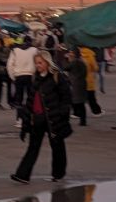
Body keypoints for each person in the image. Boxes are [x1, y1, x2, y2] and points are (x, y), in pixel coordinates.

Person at [11, 50, 72, 184]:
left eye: (40, 63)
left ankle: (58, 174)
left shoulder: (57, 77)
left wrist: (62, 113)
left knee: (57, 147)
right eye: (36, 63)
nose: (38, 65)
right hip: (38, 119)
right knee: (33, 147)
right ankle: (22, 175)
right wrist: (26, 122)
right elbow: (30, 101)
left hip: (53, 118)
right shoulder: (35, 79)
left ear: (47, 62)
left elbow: (66, 97)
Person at [6, 37, 38, 118]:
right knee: (31, 97)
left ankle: (19, 118)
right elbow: (38, 62)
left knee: (19, 98)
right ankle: (31, 116)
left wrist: (13, 76)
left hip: (18, 76)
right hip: (30, 75)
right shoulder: (34, 50)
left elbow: (9, 65)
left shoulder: (14, 50)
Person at [64, 47, 89, 126]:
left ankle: (75, 118)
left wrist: (66, 58)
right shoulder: (81, 61)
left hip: (76, 84)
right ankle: (82, 120)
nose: (70, 54)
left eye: (71, 52)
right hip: (81, 83)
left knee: (73, 102)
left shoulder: (75, 62)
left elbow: (65, 67)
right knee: (80, 103)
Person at [80, 46, 104, 116]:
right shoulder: (90, 54)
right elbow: (95, 67)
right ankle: (96, 111)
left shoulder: (76, 53)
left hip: (77, 80)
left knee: (77, 97)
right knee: (91, 97)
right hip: (88, 80)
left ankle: (77, 112)